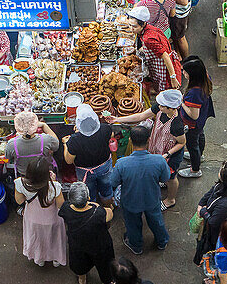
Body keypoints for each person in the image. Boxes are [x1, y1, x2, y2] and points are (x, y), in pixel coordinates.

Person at [110, 89, 187, 210]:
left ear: (171, 108)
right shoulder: (161, 109)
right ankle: (163, 181)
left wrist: (167, 154)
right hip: (157, 146)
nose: (159, 107)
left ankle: (170, 199)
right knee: (164, 175)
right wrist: (117, 119)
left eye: (162, 106)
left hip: (171, 154)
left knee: (172, 178)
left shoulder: (177, 125)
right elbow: (141, 116)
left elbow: (182, 143)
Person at [110, 125, 171, 255]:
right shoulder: (159, 160)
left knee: (132, 224)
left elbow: (113, 182)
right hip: (152, 198)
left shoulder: (122, 163)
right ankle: (162, 241)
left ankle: (136, 246)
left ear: (131, 140)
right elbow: (166, 178)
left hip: (130, 200)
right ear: (149, 139)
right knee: (156, 220)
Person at [58, 181, 115, 284]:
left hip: (78, 244)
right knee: (104, 265)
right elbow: (109, 213)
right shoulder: (98, 213)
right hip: (99, 245)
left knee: (79, 262)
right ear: (88, 197)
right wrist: (95, 205)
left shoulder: (66, 209)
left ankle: (82, 278)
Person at [13, 156, 67, 267]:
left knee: (38, 238)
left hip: (32, 218)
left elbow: (19, 201)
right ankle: (56, 259)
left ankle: (39, 259)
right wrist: (54, 182)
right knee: (54, 239)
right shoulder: (55, 186)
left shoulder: (20, 183)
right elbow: (61, 205)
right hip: (52, 219)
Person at [63, 104, 114, 205]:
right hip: (104, 166)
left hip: (85, 171)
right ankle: (108, 207)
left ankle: (92, 209)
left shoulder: (74, 139)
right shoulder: (105, 129)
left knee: (89, 192)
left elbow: (69, 160)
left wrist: (65, 144)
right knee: (106, 188)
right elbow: (111, 135)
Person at [128, 5, 182, 96]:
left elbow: (165, 56)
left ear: (143, 24)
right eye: (129, 25)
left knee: (165, 90)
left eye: (134, 26)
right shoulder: (149, 28)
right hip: (158, 62)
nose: (131, 29)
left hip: (163, 66)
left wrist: (173, 77)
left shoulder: (148, 38)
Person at [178, 57, 213, 178]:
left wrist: (181, 102)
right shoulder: (205, 77)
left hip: (193, 123)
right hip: (202, 119)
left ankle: (195, 169)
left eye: (185, 71)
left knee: (192, 144)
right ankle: (199, 155)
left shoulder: (194, 93)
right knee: (200, 135)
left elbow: (193, 115)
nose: (183, 73)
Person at [5, 111, 60, 177]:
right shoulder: (46, 139)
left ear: (17, 128)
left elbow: (8, 158)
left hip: (24, 174)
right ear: (36, 126)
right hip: (43, 172)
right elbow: (56, 145)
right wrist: (44, 125)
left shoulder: (12, 144)